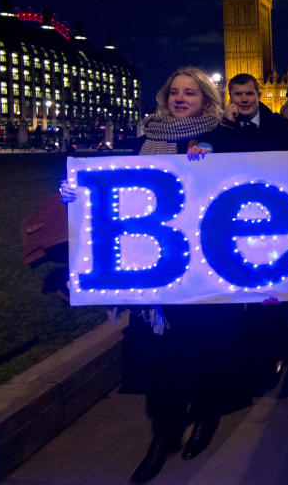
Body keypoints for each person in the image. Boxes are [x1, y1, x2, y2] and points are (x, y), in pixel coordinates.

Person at [60, 67, 239, 484]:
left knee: (205, 344)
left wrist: (210, 160)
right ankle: (163, 433)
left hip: (206, 262)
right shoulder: (144, 140)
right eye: (174, 92)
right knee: (160, 355)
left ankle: (206, 416)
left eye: (189, 93)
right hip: (156, 265)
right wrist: (76, 192)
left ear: (206, 100)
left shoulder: (225, 139)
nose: (180, 98)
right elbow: (111, 183)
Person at [212, 74, 288, 152]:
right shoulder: (218, 129)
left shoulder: (284, 127)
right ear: (230, 98)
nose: (244, 99)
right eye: (238, 94)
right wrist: (227, 126)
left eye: (249, 94)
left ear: (259, 96)